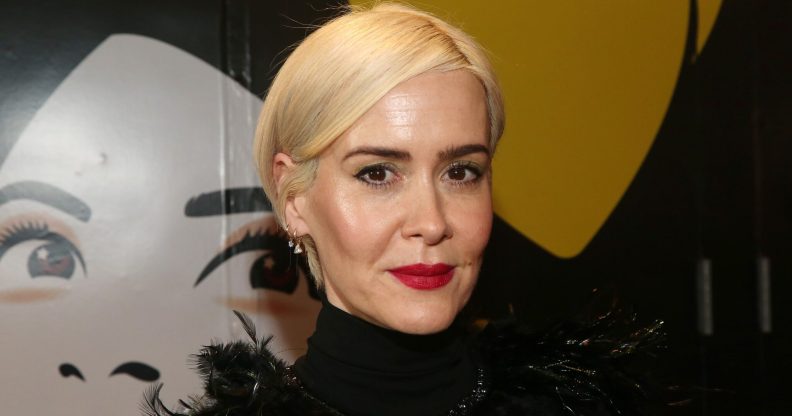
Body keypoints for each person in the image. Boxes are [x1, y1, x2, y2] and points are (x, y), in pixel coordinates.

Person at [144, 3, 664, 416]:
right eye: (377, 174)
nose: (432, 223)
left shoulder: (583, 403)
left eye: (461, 172)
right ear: (294, 198)